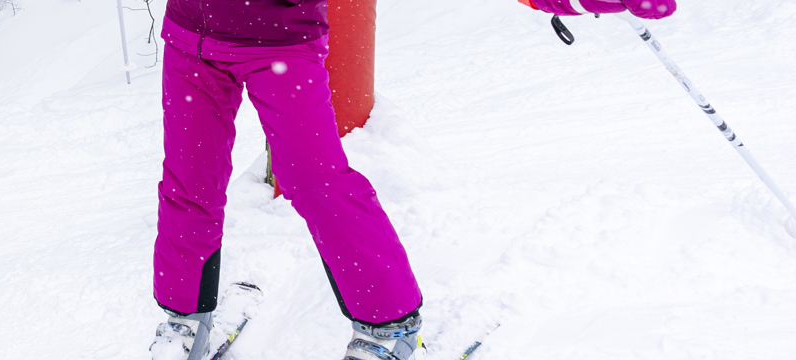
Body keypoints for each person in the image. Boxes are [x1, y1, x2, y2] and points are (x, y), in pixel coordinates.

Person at [145, 1, 674, 360]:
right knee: (188, 184)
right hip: (189, 40)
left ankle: (388, 324)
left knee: (317, 184)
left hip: (280, 46)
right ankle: (182, 319)